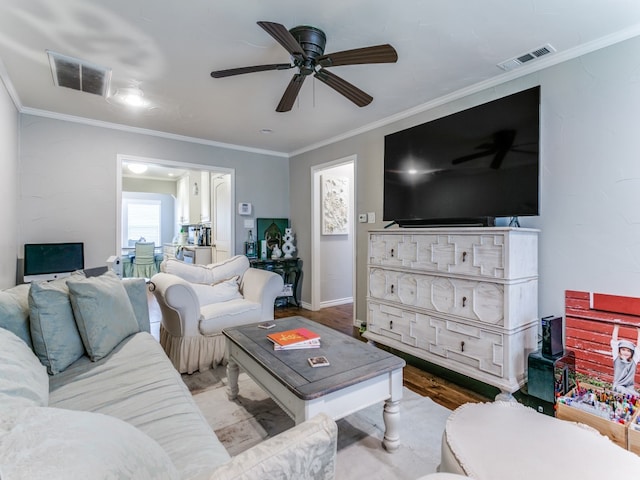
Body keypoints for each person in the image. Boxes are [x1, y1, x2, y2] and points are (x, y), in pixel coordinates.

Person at [610, 324, 640, 396]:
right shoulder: (617, 358)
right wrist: (616, 327)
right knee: (622, 390)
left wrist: (639, 331)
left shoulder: (634, 360)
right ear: (619, 350)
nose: (626, 352)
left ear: (632, 353)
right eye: (623, 350)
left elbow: (639, 347)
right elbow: (614, 342)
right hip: (618, 386)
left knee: (635, 395)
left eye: (628, 351)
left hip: (629, 387)